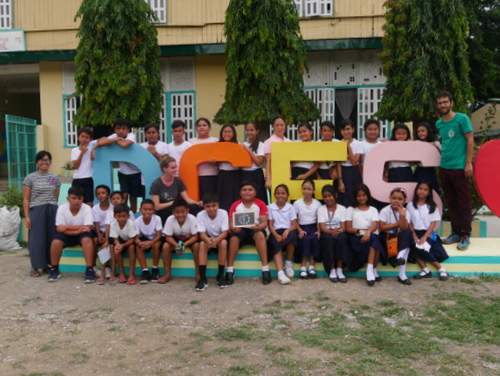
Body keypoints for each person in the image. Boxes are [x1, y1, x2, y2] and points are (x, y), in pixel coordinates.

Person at [435, 91, 474, 250]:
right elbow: (445, 142)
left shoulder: (462, 118)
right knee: (450, 202)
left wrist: (468, 163)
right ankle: (456, 232)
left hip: (460, 167)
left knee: (463, 201)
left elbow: (470, 140)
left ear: (451, 103)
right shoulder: (439, 123)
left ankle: (466, 234)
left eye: (445, 102)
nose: (442, 105)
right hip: (444, 167)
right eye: (440, 103)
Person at [23, 150, 62, 278]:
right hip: (37, 209)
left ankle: (47, 265)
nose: (44, 162)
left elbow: (56, 195)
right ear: (37, 162)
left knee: (51, 238)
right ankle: (34, 266)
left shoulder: (54, 177)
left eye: (47, 160)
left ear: (50, 162)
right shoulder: (30, 178)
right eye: (41, 159)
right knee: (36, 239)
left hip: (52, 209)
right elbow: (26, 199)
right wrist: (27, 216)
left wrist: (53, 208)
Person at [93, 119, 142, 213]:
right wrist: (116, 139)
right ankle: (122, 213)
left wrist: (114, 141)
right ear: (114, 130)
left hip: (135, 172)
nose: (121, 131)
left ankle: (132, 216)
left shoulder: (131, 136)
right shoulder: (115, 136)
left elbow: (124, 144)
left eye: (124, 128)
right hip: (123, 172)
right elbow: (101, 142)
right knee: (124, 196)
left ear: (128, 130)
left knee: (133, 197)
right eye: (118, 128)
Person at [227, 180, 271, 285]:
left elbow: (264, 222)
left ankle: (265, 269)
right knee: (233, 239)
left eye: (250, 190)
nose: (247, 192)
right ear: (240, 192)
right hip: (240, 230)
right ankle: (229, 270)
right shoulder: (235, 205)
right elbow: (231, 222)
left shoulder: (260, 204)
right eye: (244, 190)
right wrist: (234, 228)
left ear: (255, 192)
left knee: (260, 235)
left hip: (254, 230)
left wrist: (259, 226)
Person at [47, 186, 94, 283]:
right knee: (56, 242)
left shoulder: (87, 208)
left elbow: (88, 227)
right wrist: (77, 231)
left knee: (87, 240)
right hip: (67, 234)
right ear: (68, 198)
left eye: (79, 198)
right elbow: (60, 228)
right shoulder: (62, 208)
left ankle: (89, 269)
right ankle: (54, 269)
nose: (77, 201)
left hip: (83, 234)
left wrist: (66, 227)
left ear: (83, 199)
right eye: (74, 198)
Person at [407, 181, 449, 281]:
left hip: (428, 233)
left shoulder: (432, 206)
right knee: (414, 246)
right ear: (416, 190)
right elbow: (409, 223)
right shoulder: (410, 205)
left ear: (429, 193)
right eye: (420, 188)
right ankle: (426, 270)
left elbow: (433, 223)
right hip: (415, 232)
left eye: (425, 190)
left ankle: (441, 269)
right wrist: (414, 236)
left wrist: (425, 236)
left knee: (424, 247)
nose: (422, 191)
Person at [345, 183, 385, 286]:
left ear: (368, 195)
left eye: (364, 195)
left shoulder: (373, 210)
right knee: (375, 240)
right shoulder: (350, 209)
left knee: (374, 239)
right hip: (356, 237)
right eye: (359, 196)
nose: (361, 198)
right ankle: (373, 270)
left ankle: (370, 270)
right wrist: (361, 232)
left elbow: (374, 225)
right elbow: (348, 228)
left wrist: (367, 232)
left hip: (370, 234)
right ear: (355, 197)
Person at [150, 155, 202, 225]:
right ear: (165, 169)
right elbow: (156, 206)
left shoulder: (178, 181)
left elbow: (187, 199)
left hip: (176, 208)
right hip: (164, 211)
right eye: (172, 168)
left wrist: (197, 203)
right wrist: (172, 202)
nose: (176, 170)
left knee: (196, 208)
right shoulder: (156, 184)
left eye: (176, 167)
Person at [194, 193, 229, 291]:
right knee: (201, 244)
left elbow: (225, 232)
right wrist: (209, 241)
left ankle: (220, 276)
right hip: (208, 239)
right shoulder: (200, 215)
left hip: (219, 239)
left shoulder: (223, 213)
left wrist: (216, 240)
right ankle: (203, 278)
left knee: (223, 243)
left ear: (218, 205)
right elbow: (202, 234)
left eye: (214, 206)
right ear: (204, 206)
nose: (211, 209)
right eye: (208, 206)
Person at [379, 188, 414, 285]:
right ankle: (402, 273)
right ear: (390, 199)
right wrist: (397, 223)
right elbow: (382, 227)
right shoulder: (385, 210)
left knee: (407, 233)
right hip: (387, 237)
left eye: (399, 199)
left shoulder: (405, 211)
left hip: (400, 237)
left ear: (404, 201)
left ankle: (400, 258)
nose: (396, 201)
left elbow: (403, 229)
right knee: (406, 242)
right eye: (394, 198)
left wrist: (403, 216)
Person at [161, 199, 199, 284]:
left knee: (197, 246)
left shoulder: (192, 219)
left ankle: (198, 274)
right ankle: (167, 274)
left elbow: (196, 237)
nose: (180, 215)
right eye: (177, 212)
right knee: (165, 246)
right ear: (173, 212)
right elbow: (168, 237)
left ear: (187, 211)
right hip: (176, 240)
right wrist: (176, 245)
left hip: (190, 241)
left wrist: (184, 245)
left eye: (183, 211)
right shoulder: (170, 220)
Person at [317, 184, 349, 283]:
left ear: (335, 195)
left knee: (342, 239)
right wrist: (331, 232)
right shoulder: (321, 209)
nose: (328, 198)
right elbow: (322, 227)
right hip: (327, 233)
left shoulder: (342, 209)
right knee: (329, 240)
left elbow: (344, 226)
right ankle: (332, 269)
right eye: (325, 196)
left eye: (330, 196)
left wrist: (339, 231)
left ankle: (339, 269)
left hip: (339, 231)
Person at [267, 184, 298, 285]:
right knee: (276, 244)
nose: (280, 195)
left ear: (287, 195)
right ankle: (280, 273)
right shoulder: (270, 207)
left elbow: (294, 225)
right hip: (275, 232)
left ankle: (288, 263)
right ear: (275, 195)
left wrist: (288, 230)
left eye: (283, 193)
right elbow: (270, 225)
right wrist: (276, 235)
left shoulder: (290, 207)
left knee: (293, 236)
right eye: (278, 193)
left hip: (287, 230)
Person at [293, 179, 322, 279]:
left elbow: (319, 219)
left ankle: (312, 267)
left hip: (313, 226)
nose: (307, 191)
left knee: (314, 239)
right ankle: (303, 268)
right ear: (302, 189)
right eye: (304, 189)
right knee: (304, 239)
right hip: (302, 227)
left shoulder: (317, 204)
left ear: (313, 190)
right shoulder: (297, 203)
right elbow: (294, 219)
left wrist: (319, 230)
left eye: (309, 189)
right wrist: (299, 230)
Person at [188, 117, 219, 198]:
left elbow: (220, 159)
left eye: (204, 125)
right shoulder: (191, 142)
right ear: (196, 128)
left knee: (211, 198)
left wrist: (215, 162)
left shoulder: (215, 141)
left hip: (212, 174)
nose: (202, 127)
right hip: (196, 175)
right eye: (199, 125)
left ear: (209, 127)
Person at [134, 199, 163, 284]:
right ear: (140, 210)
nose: (147, 211)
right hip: (145, 238)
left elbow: (159, 235)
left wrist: (151, 242)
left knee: (156, 245)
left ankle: (155, 269)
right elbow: (136, 238)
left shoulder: (157, 218)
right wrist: (140, 243)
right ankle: (145, 271)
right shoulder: (137, 221)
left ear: (154, 210)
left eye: (150, 209)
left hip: (156, 238)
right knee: (138, 247)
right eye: (145, 209)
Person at [109, 203, 138, 285]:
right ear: (114, 216)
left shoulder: (130, 223)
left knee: (131, 248)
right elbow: (115, 239)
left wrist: (123, 246)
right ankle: (122, 273)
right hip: (121, 241)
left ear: (128, 216)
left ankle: (131, 274)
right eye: (119, 216)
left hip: (130, 242)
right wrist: (118, 245)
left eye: (124, 216)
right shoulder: (113, 224)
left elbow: (133, 239)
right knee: (116, 249)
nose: (121, 218)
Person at [337, 119, 363, 207]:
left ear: (353, 129)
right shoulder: (339, 144)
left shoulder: (358, 144)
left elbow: (354, 162)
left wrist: (348, 147)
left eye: (348, 129)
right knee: (343, 196)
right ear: (340, 131)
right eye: (343, 129)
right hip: (343, 172)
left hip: (354, 172)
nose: (346, 131)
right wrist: (340, 180)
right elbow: (338, 163)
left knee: (354, 195)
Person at [241, 121, 267, 204]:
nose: (249, 132)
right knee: (245, 198)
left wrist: (248, 150)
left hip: (256, 175)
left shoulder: (260, 145)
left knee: (258, 198)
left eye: (251, 130)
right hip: (243, 174)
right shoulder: (242, 145)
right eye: (247, 130)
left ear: (257, 131)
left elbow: (258, 162)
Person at [216, 124, 241, 211]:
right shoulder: (217, 145)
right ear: (221, 133)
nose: (227, 134)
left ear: (233, 134)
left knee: (235, 197)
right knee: (223, 198)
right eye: (225, 132)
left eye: (229, 132)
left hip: (236, 175)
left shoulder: (239, 145)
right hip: (223, 175)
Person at [71, 127, 97, 206]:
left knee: (89, 203)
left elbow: (103, 140)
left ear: (90, 139)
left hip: (88, 179)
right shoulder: (74, 150)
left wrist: (94, 148)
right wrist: (82, 153)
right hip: (77, 179)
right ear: (78, 138)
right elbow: (76, 166)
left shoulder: (91, 145)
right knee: (77, 203)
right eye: (82, 136)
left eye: (87, 137)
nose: (84, 139)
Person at [92, 184, 112, 282]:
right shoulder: (95, 208)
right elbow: (96, 223)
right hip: (99, 231)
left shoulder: (112, 207)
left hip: (110, 231)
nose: (101, 195)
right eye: (98, 194)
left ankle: (107, 267)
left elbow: (111, 223)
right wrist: (99, 234)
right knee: (95, 240)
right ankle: (92, 266)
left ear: (108, 195)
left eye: (103, 193)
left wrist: (105, 234)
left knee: (107, 243)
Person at [264, 115, 291, 190]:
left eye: (282, 125)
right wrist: (268, 179)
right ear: (273, 127)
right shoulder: (269, 141)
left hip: (287, 174)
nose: (279, 127)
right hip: (275, 175)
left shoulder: (289, 142)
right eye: (277, 125)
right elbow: (268, 161)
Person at [316, 121, 342, 187]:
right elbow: (314, 162)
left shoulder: (338, 143)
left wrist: (336, 170)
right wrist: (317, 175)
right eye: (325, 131)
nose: (327, 133)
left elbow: (339, 161)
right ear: (321, 132)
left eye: (330, 131)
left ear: (333, 131)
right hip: (321, 170)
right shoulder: (317, 144)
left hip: (333, 170)